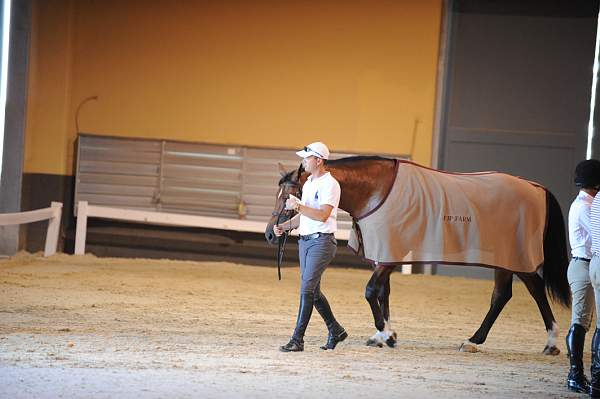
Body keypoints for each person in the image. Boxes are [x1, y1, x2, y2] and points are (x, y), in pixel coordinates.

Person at [273, 141, 347, 352]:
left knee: (306, 289)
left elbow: (323, 215)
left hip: (322, 242)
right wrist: (285, 226)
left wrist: (298, 205)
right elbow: (304, 216)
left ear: (318, 160)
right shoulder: (309, 184)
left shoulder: (330, 184)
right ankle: (336, 330)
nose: (303, 162)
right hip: (306, 241)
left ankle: (297, 339)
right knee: (313, 292)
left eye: (306, 158)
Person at [567, 159, 600, 394]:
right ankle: (575, 374)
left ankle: (579, 375)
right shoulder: (587, 207)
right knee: (579, 323)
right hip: (584, 265)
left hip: (585, 265)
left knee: (584, 323)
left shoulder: (583, 203)